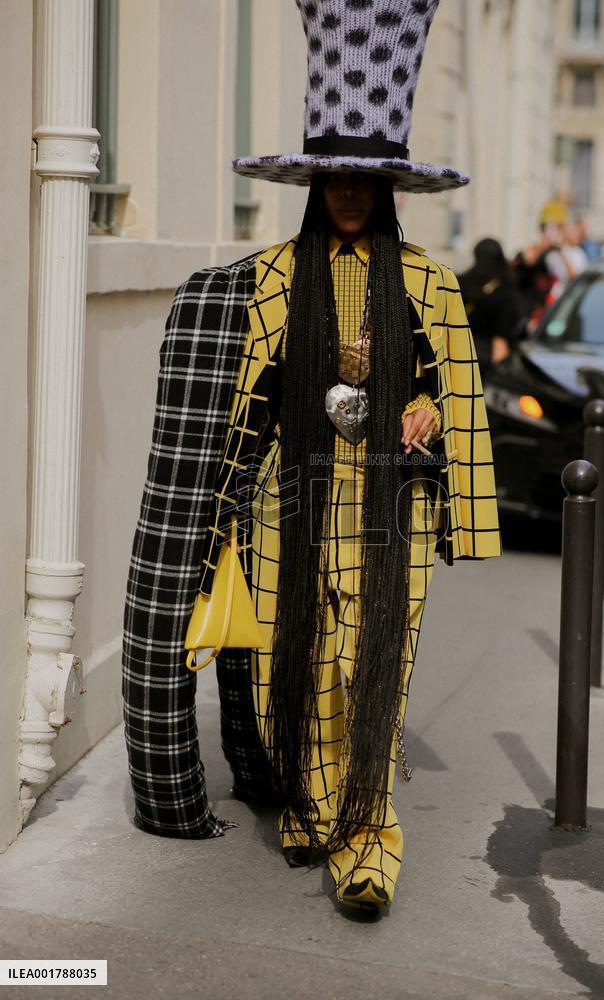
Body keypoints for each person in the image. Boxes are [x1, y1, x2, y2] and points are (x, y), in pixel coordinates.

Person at [122, 0, 502, 915]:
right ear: (314, 179)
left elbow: (458, 395)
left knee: (373, 666)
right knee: (293, 660)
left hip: (391, 508)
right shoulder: (269, 280)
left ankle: (365, 841)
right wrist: (216, 519)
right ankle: (307, 802)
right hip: (286, 502)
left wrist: (423, 407)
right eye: (335, 175)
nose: (349, 192)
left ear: (389, 186)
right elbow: (238, 410)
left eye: (365, 178)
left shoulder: (430, 284)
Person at [458, 238, 521, 378]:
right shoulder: (503, 289)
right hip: (486, 356)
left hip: (458, 350)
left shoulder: (459, 282)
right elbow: (501, 340)